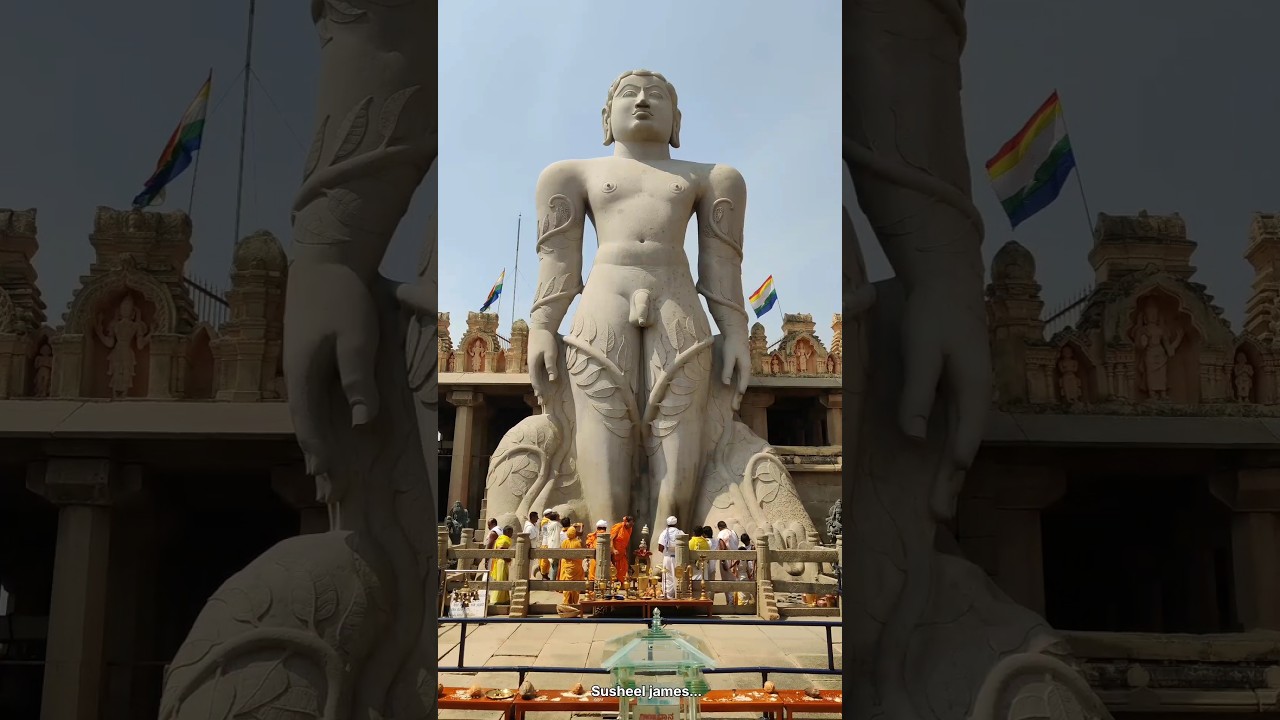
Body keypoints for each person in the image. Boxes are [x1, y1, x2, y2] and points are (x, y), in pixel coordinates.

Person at [523, 70, 754, 533]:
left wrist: (735, 332)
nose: (643, 100)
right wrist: (543, 326)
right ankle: (607, 553)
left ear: (677, 121)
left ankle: (673, 545)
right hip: (606, 292)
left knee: (679, 422)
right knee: (601, 416)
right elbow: (558, 260)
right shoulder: (570, 174)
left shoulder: (712, 178)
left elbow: (722, 266)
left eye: (657, 95)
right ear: (607, 118)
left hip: (675, 294)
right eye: (629, 94)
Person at [657, 516, 682, 599]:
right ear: (676, 523)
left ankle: (668, 596)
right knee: (677, 576)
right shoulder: (680, 532)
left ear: (667, 524)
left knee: (667, 576)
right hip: (677, 558)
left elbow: (660, 548)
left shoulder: (664, 533)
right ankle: (677, 596)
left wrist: (667, 551)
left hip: (667, 557)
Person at [716, 520, 740, 605]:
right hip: (735, 558)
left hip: (726, 559)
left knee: (727, 580)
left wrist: (723, 561)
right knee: (734, 580)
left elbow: (722, 547)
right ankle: (735, 602)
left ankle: (730, 602)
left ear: (719, 528)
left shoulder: (721, 533)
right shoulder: (733, 532)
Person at [559, 525, 585, 605]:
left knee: (567, 585)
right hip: (576, 567)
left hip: (567, 566)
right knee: (576, 585)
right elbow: (584, 553)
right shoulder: (578, 542)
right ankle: (574, 603)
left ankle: (566, 603)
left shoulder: (564, 542)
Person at [490, 526, 514, 605]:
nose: (512, 534)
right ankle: (497, 600)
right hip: (502, 562)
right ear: (507, 532)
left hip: (500, 561)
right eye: (511, 532)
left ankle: (504, 599)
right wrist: (508, 558)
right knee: (501, 580)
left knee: (503, 579)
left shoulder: (500, 538)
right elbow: (500, 549)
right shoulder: (504, 539)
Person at [610, 516, 635, 582]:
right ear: (626, 522)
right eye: (630, 524)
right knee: (614, 570)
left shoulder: (630, 529)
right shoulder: (618, 527)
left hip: (622, 552)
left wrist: (627, 552)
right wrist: (613, 549)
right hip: (615, 552)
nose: (630, 526)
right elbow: (611, 539)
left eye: (632, 525)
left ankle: (623, 583)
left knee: (624, 568)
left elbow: (627, 541)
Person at [523, 511, 540, 578]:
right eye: (536, 517)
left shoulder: (534, 526)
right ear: (532, 517)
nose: (537, 518)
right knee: (528, 567)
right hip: (529, 550)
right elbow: (527, 540)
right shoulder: (529, 527)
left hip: (533, 548)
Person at [740, 533, 755, 606]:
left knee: (752, 583)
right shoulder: (742, 547)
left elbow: (754, 560)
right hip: (745, 566)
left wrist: (753, 570)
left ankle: (753, 600)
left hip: (751, 566)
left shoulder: (752, 547)